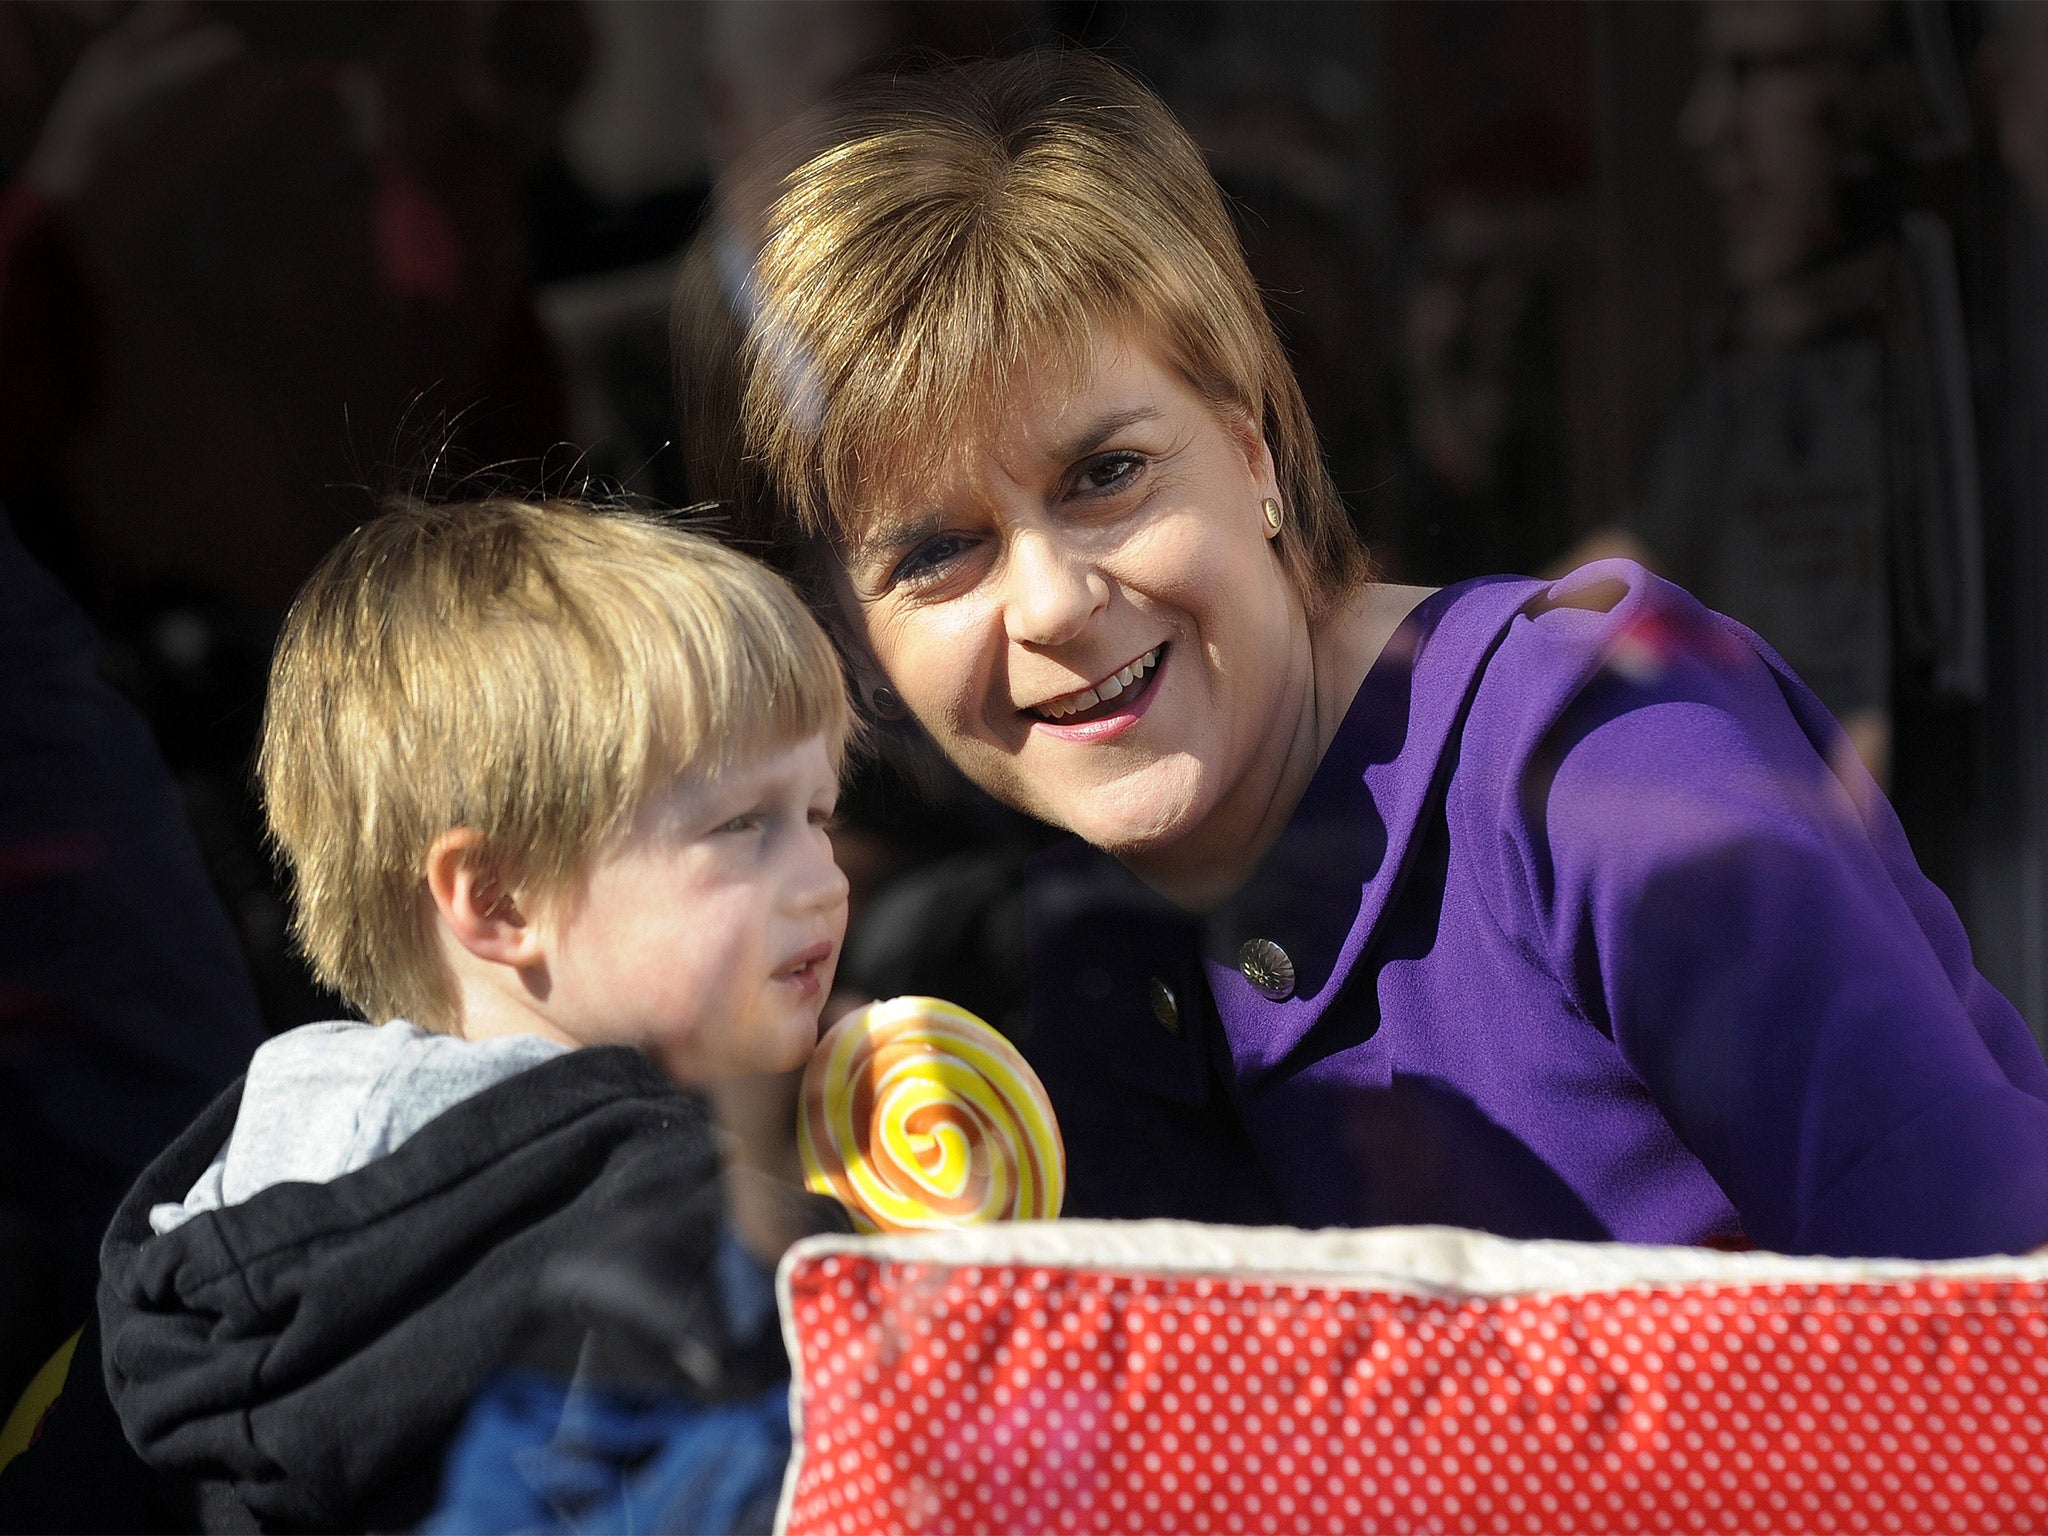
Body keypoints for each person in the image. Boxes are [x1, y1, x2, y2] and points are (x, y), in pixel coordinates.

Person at [693, 50, 2048, 1260]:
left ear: (1254, 449)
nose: (1050, 601)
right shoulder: (1068, 958)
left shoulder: (1607, 765)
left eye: (1106, 473)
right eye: (935, 553)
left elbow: (1988, 1346)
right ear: (860, 649)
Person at [91, 496, 852, 1532]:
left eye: (819, 815)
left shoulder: (229, 1225)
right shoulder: (689, 1236)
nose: (821, 879)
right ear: (498, 901)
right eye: (741, 825)